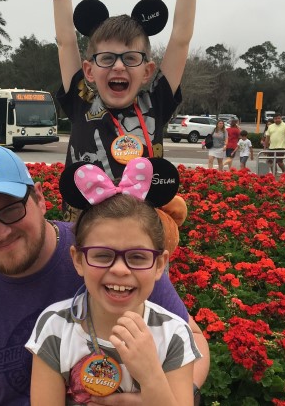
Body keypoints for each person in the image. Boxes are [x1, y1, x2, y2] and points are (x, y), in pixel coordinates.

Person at [0, 144, 209, 405]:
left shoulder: (109, 248)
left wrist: (153, 395)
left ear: (39, 198)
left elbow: (189, 339)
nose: (0, 232)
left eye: (11, 210)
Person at [42, 0, 218, 187]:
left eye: (130, 58)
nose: (118, 66)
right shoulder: (81, 100)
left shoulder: (155, 103)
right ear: (89, 70)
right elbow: (66, 42)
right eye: (107, 58)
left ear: (147, 71)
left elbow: (181, 40)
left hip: (141, 216)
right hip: (86, 216)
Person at [27, 158, 201, 405]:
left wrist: (151, 376)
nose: (120, 269)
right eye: (102, 255)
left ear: (160, 265)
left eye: (137, 257)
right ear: (78, 260)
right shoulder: (55, 327)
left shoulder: (174, 335)